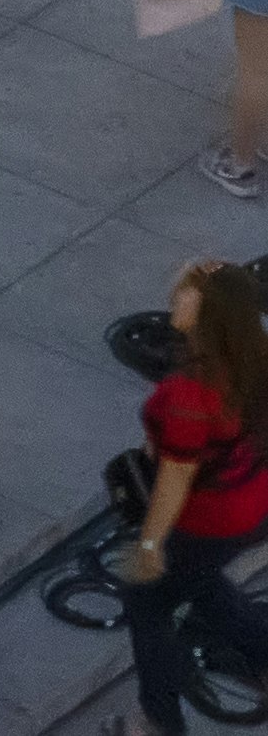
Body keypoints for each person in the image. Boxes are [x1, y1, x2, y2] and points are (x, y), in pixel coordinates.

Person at [112, 257, 268, 736]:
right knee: (198, 582)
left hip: (209, 519)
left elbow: (175, 481)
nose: (172, 295)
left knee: (148, 603)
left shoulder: (190, 395)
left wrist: (149, 545)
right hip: (255, 504)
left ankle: (158, 721)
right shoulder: (254, 360)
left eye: (184, 292)